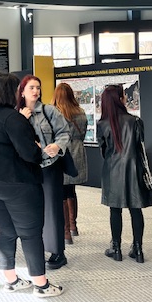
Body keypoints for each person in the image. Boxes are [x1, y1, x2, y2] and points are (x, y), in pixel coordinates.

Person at [0, 72, 63, 297]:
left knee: (5, 230)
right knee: (30, 233)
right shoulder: (13, 119)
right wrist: (37, 147)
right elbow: (30, 154)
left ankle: (11, 280)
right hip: (18, 184)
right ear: (12, 92)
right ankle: (41, 285)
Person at [97, 85, 152, 263]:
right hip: (134, 169)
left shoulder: (102, 124)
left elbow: (104, 151)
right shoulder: (135, 121)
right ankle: (138, 249)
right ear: (119, 99)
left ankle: (116, 248)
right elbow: (140, 147)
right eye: (123, 95)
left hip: (112, 170)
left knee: (115, 210)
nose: (125, 98)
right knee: (135, 209)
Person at [16, 75, 71, 270]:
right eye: (31, 87)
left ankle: (57, 252)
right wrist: (21, 121)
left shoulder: (49, 111)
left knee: (52, 210)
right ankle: (35, 250)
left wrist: (57, 145)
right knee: (30, 210)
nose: (35, 91)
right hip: (26, 168)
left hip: (49, 166)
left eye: (38, 87)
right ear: (22, 91)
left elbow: (65, 132)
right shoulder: (16, 114)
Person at [51, 83, 88, 245]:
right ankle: (73, 226)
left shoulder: (54, 113)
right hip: (77, 152)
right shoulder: (81, 112)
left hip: (62, 153)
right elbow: (83, 133)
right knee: (71, 190)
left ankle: (66, 232)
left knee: (61, 192)